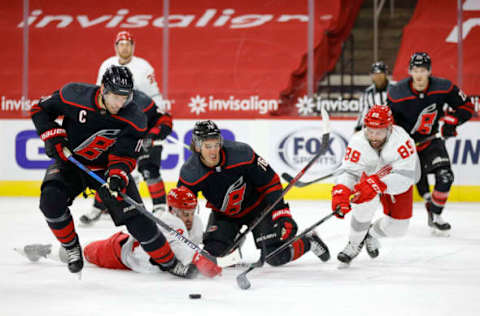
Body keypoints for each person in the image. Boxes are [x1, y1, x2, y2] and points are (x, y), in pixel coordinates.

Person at [29, 65, 196, 278]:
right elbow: (40, 109)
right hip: (71, 164)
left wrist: (117, 176)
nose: (120, 103)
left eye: (125, 97)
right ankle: (71, 247)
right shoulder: (73, 94)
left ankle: (169, 262)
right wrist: (52, 135)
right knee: (50, 201)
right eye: (116, 96)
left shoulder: (135, 116)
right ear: (103, 89)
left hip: (106, 171)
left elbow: (125, 154)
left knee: (140, 222)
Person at [177, 120, 330, 267]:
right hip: (224, 215)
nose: (213, 151)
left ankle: (308, 241)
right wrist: (180, 231)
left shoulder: (242, 154)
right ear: (197, 146)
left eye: (216, 144)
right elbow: (181, 204)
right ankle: (232, 243)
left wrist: (282, 214)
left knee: (274, 257)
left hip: (259, 210)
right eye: (208, 146)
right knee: (212, 256)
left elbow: (270, 182)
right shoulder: (190, 172)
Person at [16, 187, 222, 278]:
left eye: (190, 212)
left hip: (140, 256)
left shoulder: (196, 222)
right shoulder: (170, 221)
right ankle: (44, 250)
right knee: (82, 254)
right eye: (182, 212)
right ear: (172, 210)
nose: (187, 217)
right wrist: (202, 261)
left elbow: (193, 247)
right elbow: (183, 249)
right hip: (121, 252)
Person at [81, 30, 171, 223]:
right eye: (121, 44)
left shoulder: (143, 67)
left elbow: (155, 96)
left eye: (128, 44)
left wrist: (156, 123)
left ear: (133, 46)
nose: (125, 47)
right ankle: (98, 207)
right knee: (109, 166)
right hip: (118, 122)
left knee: (148, 165)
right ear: (116, 47)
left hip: (142, 119)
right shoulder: (107, 65)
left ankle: (160, 206)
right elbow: (98, 94)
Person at [387, 52, 474, 233]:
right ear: (409, 71)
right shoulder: (397, 93)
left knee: (446, 177)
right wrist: (393, 143)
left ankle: (435, 214)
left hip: (430, 142)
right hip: (405, 148)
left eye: (423, 70)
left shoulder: (443, 87)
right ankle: (427, 201)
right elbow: (389, 122)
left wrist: (451, 121)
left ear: (429, 71)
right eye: (415, 70)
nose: (419, 74)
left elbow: (466, 106)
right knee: (415, 187)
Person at [331, 105, 420, 266]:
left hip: (395, 179)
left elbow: (406, 177)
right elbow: (349, 171)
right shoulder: (358, 141)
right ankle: (354, 243)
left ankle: (371, 234)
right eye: (369, 130)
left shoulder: (403, 141)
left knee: (398, 228)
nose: (373, 136)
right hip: (369, 177)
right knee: (363, 209)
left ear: (389, 128)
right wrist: (341, 191)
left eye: (378, 132)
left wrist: (378, 184)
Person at [354, 61, 395, 132]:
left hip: (395, 128)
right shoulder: (367, 93)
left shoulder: (396, 88)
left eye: (381, 74)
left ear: (386, 74)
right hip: (376, 129)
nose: (378, 77)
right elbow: (363, 113)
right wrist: (358, 128)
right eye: (375, 74)